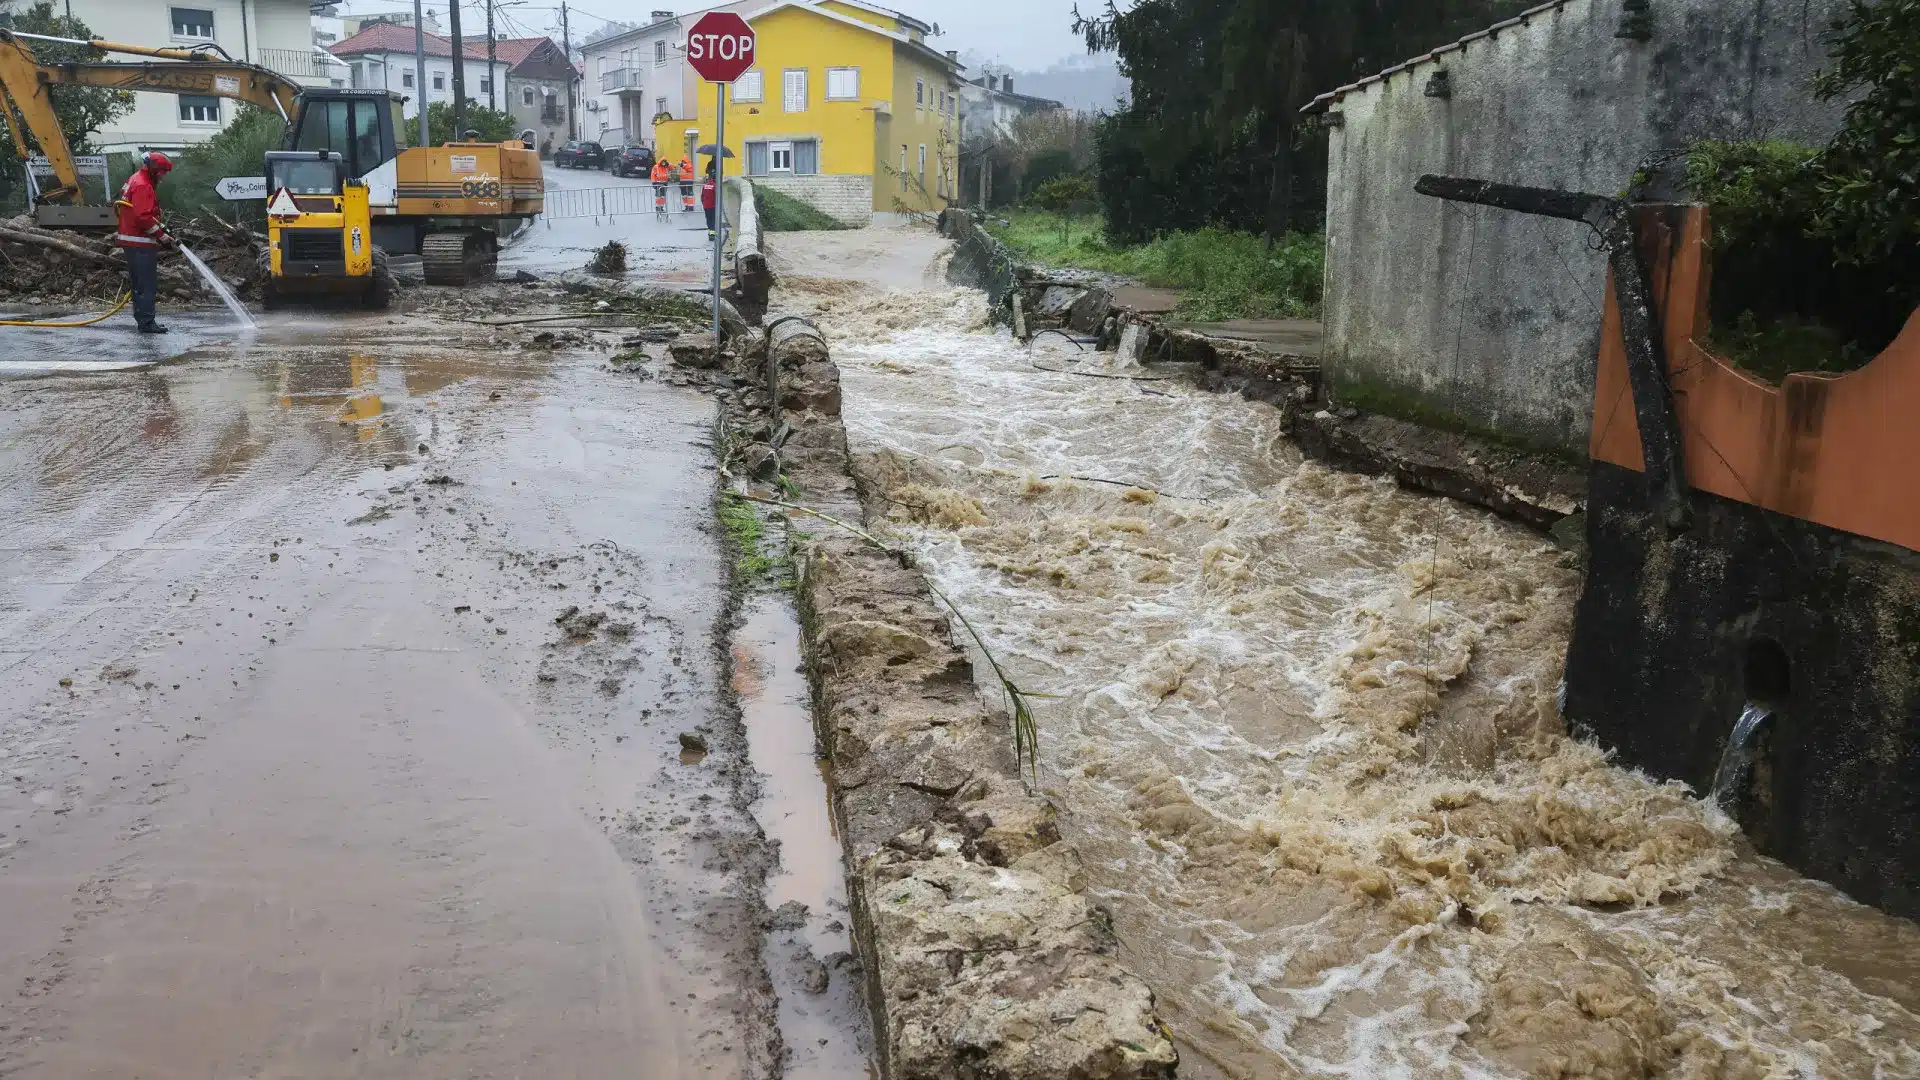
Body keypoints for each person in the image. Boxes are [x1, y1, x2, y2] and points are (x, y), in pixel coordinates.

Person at [115, 150, 176, 334]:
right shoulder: (144, 185)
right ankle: (147, 323)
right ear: (155, 170)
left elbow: (143, 212)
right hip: (139, 242)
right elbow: (143, 218)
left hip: (132, 240)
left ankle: (144, 320)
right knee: (146, 284)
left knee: (140, 284)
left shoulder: (136, 179)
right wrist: (162, 236)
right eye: (163, 172)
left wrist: (162, 227)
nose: (164, 176)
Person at [701, 167, 718, 236]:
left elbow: (702, 196)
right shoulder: (715, 186)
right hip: (713, 206)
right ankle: (712, 234)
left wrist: (704, 204)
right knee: (713, 220)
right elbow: (717, 196)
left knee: (708, 219)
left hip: (706, 206)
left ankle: (710, 232)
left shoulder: (705, 186)